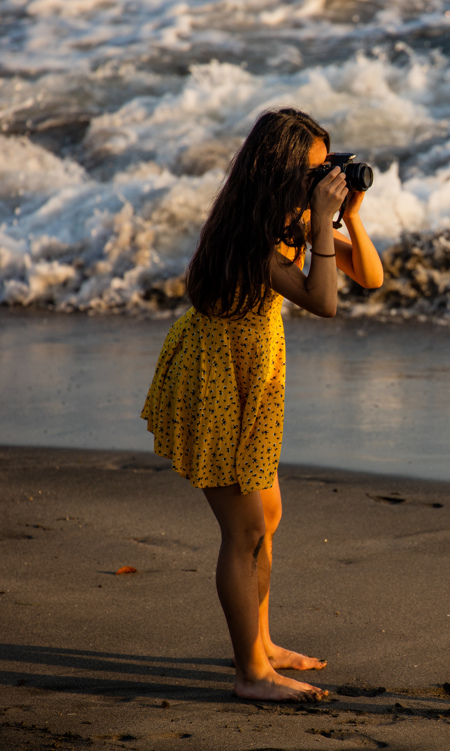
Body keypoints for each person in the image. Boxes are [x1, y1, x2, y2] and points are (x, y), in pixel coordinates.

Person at [141, 108, 384, 702]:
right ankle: (250, 673)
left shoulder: (289, 216)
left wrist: (347, 217)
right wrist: (324, 223)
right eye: (312, 169)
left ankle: (262, 643)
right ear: (277, 169)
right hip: (217, 380)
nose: (321, 177)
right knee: (244, 528)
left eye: (326, 167)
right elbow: (325, 302)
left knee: (266, 520)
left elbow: (371, 278)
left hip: (250, 378)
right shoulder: (250, 237)